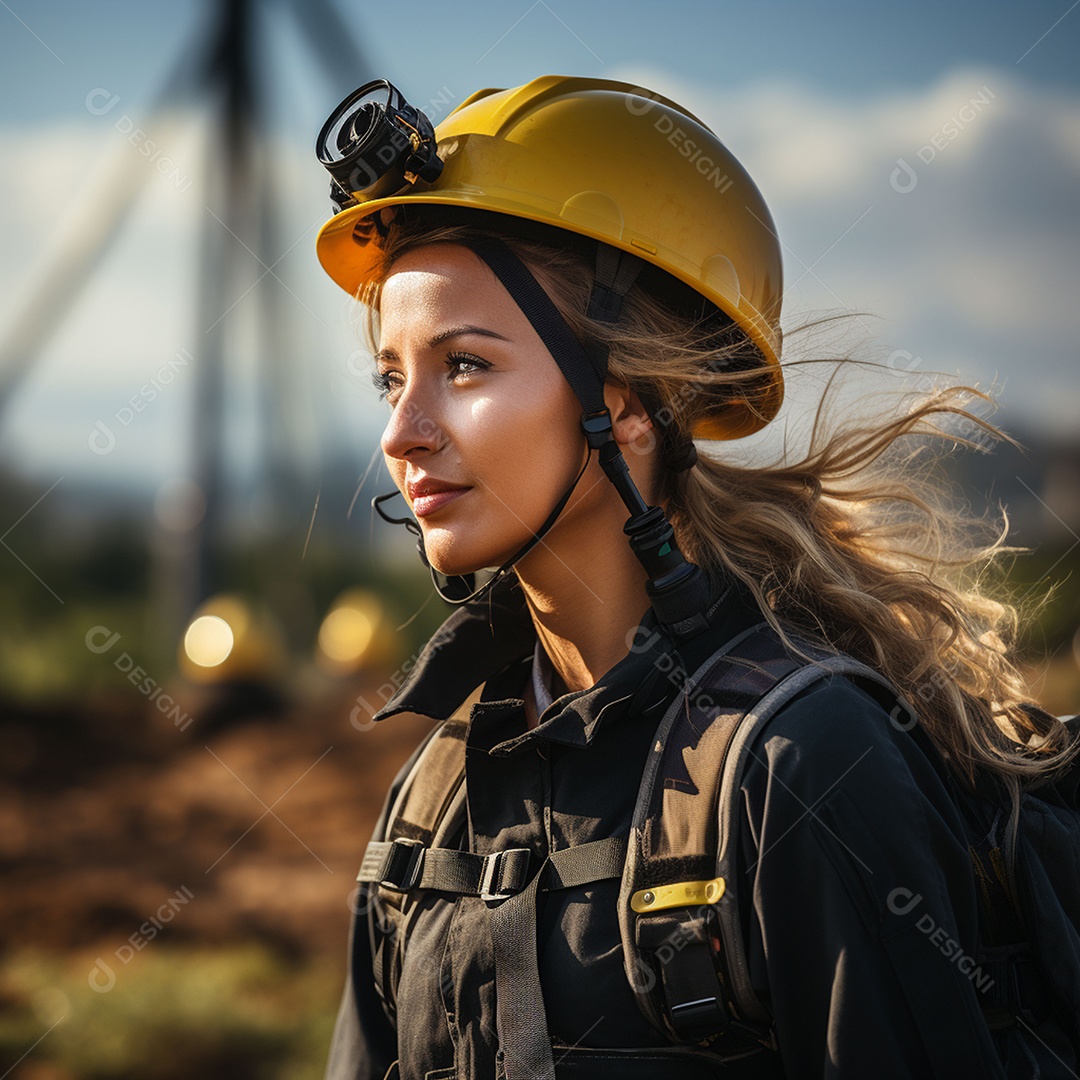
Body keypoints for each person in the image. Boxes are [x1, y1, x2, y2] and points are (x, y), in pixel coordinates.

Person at [312, 76, 1079, 1079]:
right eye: (392, 376)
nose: (401, 433)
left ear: (625, 403)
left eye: (463, 367)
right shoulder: (437, 794)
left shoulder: (805, 764)